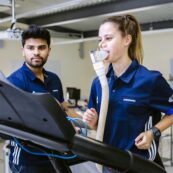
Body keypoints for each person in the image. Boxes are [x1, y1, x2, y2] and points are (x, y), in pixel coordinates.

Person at [83, 14, 173, 172]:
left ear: (127, 40)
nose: (102, 44)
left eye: (108, 38)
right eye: (100, 39)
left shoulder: (149, 80)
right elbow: (101, 127)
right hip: (109, 163)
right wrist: (93, 122)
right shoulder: (98, 83)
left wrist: (153, 132)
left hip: (140, 165)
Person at [7, 25, 78, 173]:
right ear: (23, 51)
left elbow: (63, 107)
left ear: (49, 51)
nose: (36, 52)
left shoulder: (54, 79)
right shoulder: (15, 82)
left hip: (55, 154)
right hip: (28, 160)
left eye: (41, 47)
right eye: (30, 48)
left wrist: (89, 123)